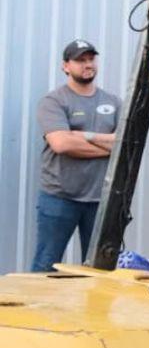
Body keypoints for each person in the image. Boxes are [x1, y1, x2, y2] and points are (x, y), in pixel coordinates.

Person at [31, 40, 121, 271]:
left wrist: (84, 136)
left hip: (101, 200)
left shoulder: (113, 102)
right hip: (59, 197)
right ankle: (40, 308)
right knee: (46, 265)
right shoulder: (54, 101)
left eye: (91, 59)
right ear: (66, 66)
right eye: (80, 60)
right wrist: (108, 144)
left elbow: (127, 146)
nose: (87, 64)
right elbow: (61, 144)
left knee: (99, 270)